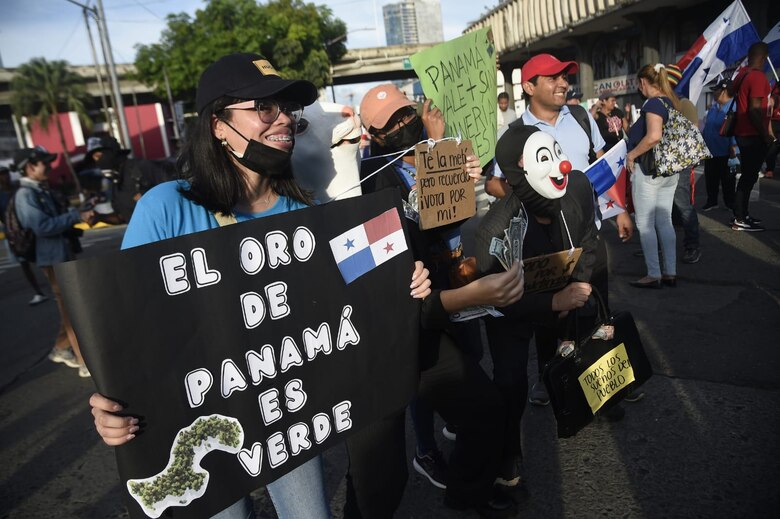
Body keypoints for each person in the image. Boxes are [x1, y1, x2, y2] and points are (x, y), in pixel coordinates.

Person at [88, 52, 433, 519]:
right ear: (217, 125)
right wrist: (109, 402)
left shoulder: (302, 213)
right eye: (264, 109)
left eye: (287, 110)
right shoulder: (165, 207)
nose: (284, 121)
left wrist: (400, 282)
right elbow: (126, 327)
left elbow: (347, 295)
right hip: (202, 426)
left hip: (285, 411)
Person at [354, 83, 525, 517]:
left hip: (454, 274)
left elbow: (456, 214)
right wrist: (437, 157)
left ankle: (467, 483)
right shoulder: (376, 176)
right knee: (409, 399)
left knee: (474, 376)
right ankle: (427, 451)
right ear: (373, 136)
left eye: (405, 114)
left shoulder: (437, 154)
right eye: (389, 124)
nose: (402, 125)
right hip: (415, 300)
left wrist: (459, 175)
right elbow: (414, 232)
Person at [487, 53, 635, 408]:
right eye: (552, 77)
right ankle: (552, 379)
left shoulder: (582, 118)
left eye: (564, 77)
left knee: (596, 312)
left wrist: (621, 211)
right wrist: (530, 200)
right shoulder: (515, 134)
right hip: (544, 245)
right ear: (528, 86)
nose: (563, 83)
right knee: (550, 318)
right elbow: (494, 184)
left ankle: (607, 392)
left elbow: (603, 167)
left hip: (589, 237)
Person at [475, 125, 598, 497]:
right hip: (512, 312)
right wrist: (550, 303)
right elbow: (494, 299)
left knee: (565, 355)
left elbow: (589, 239)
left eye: (557, 151)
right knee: (510, 382)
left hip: (558, 295)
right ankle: (507, 453)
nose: (561, 164)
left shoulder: (575, 191)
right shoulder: (494, 230)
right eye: (545, 157)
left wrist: (580, 282)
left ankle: (581, 397)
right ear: (518, 170)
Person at [12, 146, 94, 377]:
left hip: (61, 256)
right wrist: (75, 216)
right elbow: (42, 227)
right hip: (52, 260)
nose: (48, 166)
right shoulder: (25, 195)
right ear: (29, 166)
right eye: (44, 163)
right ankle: (83, 361)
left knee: (70, 309)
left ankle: (59, 348)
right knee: (72, 310)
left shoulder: (40, 190)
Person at [625, 63, 681, 288]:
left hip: (649, 171)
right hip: (668, 170)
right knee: (664, 220)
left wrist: (632, 155)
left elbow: (654, 136)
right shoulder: (671, 102)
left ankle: (653, 274)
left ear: (644, 83)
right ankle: (670, 272)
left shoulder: (653, 104)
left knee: (645, 223)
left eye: (640, 84)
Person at [731, 42, 773, 231]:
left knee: (747, 176)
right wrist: (765, 135)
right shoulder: (757, 77)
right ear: (763, 57)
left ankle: (743, 214)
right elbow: (755, 110)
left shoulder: (742, 74)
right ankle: (740, 217)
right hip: (752, 134)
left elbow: (732, 92)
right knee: (748, 177)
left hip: (742, 132)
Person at [665, 64, 701, 264]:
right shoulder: (660, 102)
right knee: (664, 207)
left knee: (683, 204)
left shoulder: (683, 104)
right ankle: (662, 246)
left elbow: (694, 133)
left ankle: (692, 246)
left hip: (679, 163)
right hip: (664, 164)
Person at [0, 165, 49, 305]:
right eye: (1, 174)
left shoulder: (18, 188)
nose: (4, 177)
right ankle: (38, 292)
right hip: (13, 233)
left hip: (29, 227)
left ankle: (54, 286)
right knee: (24, 263)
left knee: (42, 260)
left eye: (5, 173)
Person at [701, 79, 737, 212]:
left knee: (728, 180)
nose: (714, 93)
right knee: (710, 179)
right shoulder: (714, 107)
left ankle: (730, 203)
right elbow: (707, 127)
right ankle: (712, 201)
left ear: (724, 91)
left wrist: (733, 149)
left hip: (726, 152)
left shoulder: (733, 107)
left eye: (716, 90)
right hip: (710, 151)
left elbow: (734, 130)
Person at [764, 81, 780, 179]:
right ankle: (769, 169)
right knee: (772, 149)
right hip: (775, 124)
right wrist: (769, 131)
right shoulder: (774, 97)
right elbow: (768, 115)